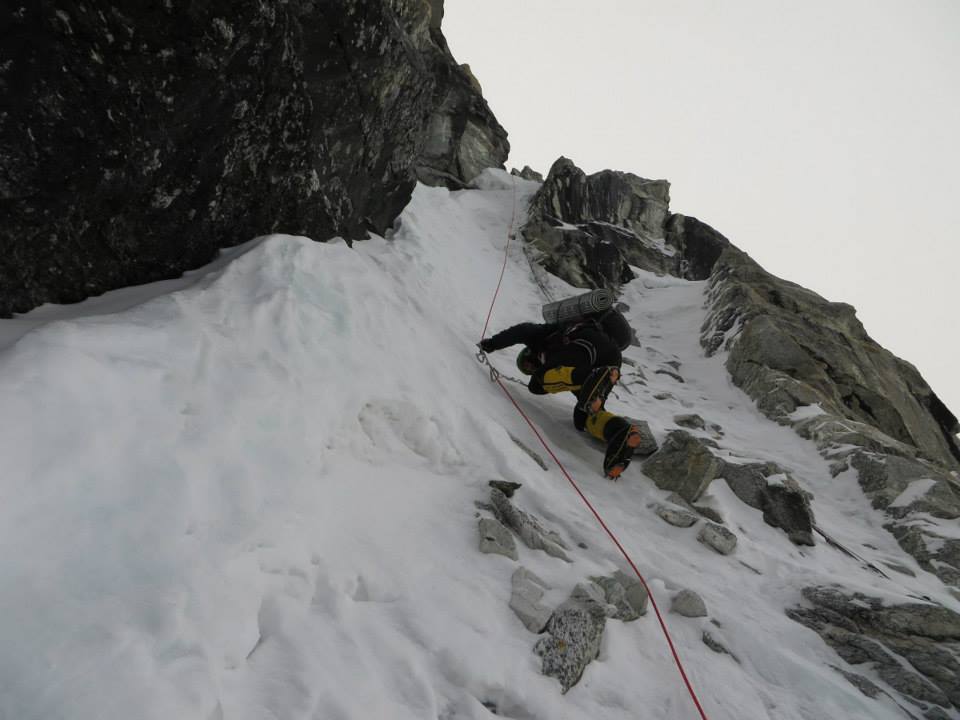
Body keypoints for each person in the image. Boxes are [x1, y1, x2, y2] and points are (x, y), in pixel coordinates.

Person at [479, 309, 643, 479]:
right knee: (583, 415)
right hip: (610, 358)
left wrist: (491, 344)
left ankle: (591, 376)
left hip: (584, 343)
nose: (531, 368)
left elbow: (523, 330)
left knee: (538, 383)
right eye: (528, 370)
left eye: (528, 364)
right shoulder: (564, 369)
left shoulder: (542, 339)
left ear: (529, 353)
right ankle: (618, 432)